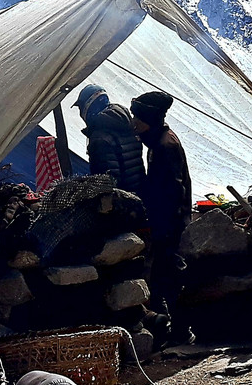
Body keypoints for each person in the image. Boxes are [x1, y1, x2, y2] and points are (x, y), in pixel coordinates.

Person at [130, 90, 193, 315]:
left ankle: (180, 328)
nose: (134, 122)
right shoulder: (158, 143)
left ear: (150, 119)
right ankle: (172, 326)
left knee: (169, 277)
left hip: (170, 225)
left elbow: (174, 191)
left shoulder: (165, 147)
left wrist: (166, 227)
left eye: (138, 118)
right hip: (166, 223)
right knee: (162, 277)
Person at [74, 84, 145, 195]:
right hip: (139, 193)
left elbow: (107, 181)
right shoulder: (126, 123)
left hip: (122, 202)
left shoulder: (99, 137)